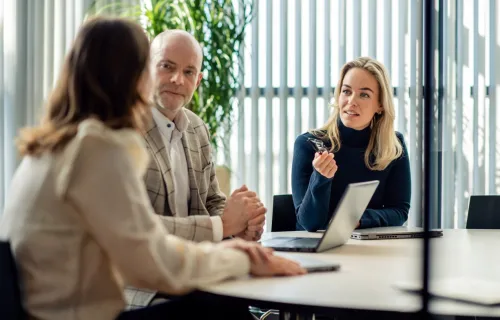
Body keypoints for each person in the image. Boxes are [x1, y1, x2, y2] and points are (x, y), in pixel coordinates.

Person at [0, 17, 306, 320]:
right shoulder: (94, 148)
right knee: (221, 306)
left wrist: (238, 234)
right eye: (155, 66)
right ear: (134, 76)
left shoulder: (57, 143)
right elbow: (153, 260)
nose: (171, 79)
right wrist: (242, 260)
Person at [143, 30, 265, 243]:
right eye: (167, 66)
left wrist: (238, 227)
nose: (177, 80)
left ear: (198, 81)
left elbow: (212, 201)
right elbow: (138, 224)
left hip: (196, 262)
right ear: (146, 69)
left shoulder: (197, 128)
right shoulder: (124, 129)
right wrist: (223, 226)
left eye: (189, 72)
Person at [291, 57, 411, 232]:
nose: (351, 101)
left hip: (366, 249)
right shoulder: (308, 144)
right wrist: (321, 178)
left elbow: (399, 211)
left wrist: (359, 220)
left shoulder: (393, 146)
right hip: (315, 252)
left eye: (364, 94)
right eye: (346, 91)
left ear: (380, 105)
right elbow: (309, 223)